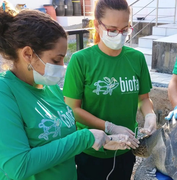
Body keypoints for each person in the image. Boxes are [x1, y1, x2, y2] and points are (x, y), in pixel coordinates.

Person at [0, 9, 132, 180]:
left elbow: (61, 139)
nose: (62, 66)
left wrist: (103, 140)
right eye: (56, 60)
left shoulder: (50, 87)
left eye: (63, 58)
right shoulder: (6, 93)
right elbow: (18, 166)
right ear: (27, 54)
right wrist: (85, 137)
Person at [63, 0, 157, 179]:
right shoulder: (81, 60)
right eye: (112, 30)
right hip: (92, 150)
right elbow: (72, 109)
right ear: (97, 25)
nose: (119, 35)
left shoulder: (136, 58)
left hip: (126, 148)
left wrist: (150, 115)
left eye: (124, 29)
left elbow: (143, 98)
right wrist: (109, 127)